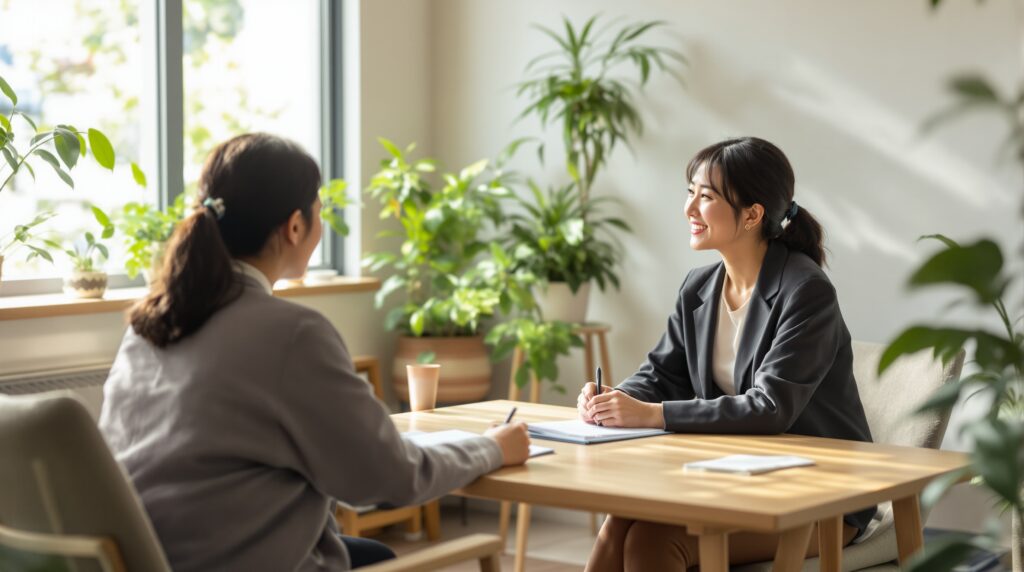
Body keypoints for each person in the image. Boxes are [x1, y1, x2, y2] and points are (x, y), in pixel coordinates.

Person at [99, 133, 531, 571]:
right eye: (320, 211)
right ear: (295, 226)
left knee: (370, 553)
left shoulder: (148, 327)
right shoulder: (292, 333)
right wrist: (491, 448)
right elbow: (390, 480)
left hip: (157, 561)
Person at [577, 137, 876, 571]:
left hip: (817, 492)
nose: (690, 209)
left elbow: (770, 407)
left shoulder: (806, 291)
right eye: (690, 192)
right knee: (622, 519)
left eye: (707, 196)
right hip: (731, 475)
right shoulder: (698, 287)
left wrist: (651, 415)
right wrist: (611, 399)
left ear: (753, 214)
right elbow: (661, 374)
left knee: (653, 539)